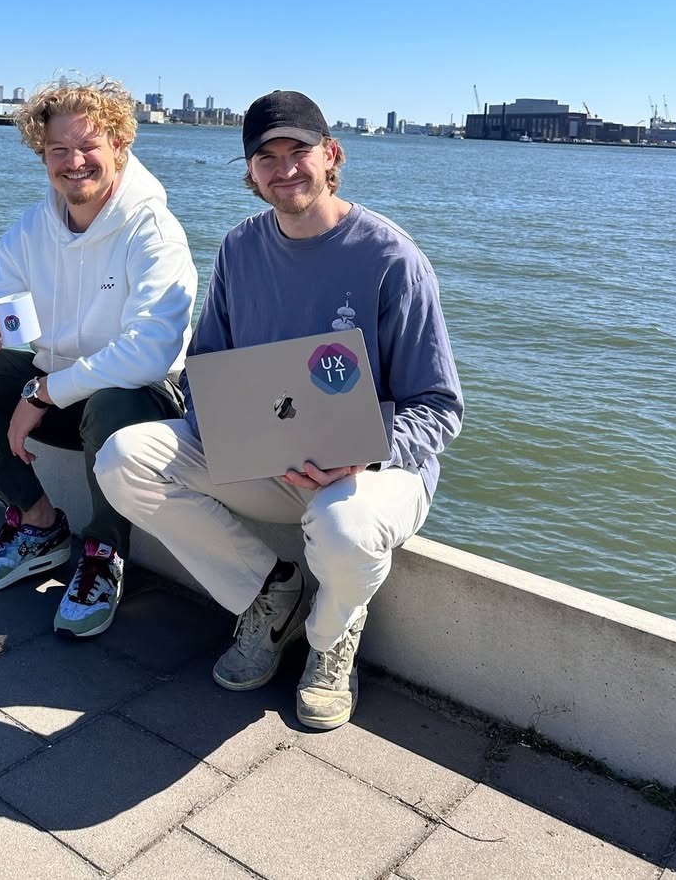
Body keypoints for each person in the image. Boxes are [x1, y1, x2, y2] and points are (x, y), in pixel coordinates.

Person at [95, 89, 462, 728]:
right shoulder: (240, 248)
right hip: (268, 461)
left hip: (369, 472)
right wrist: (236, 438)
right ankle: (270, 593)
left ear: (332, 156)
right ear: (251, 171)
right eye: (267, 156)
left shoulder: (391, 259)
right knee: (123, 456)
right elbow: (207, 367)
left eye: (300, 151)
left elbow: (439, 408)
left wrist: (364, 454)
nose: (284, 167)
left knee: (346, 531)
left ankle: (329, 640)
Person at [0, 78, 196, 638]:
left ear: (119, 144)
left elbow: (151, 353)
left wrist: (42, 393)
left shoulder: (153, 231)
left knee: (114, 402)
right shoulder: (32, 230)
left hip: (138, 408)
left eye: (88, 146)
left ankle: (102, 553)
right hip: (57, 391)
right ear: (41, 154)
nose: (74, 162)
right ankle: (38, 526)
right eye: (58, 150)